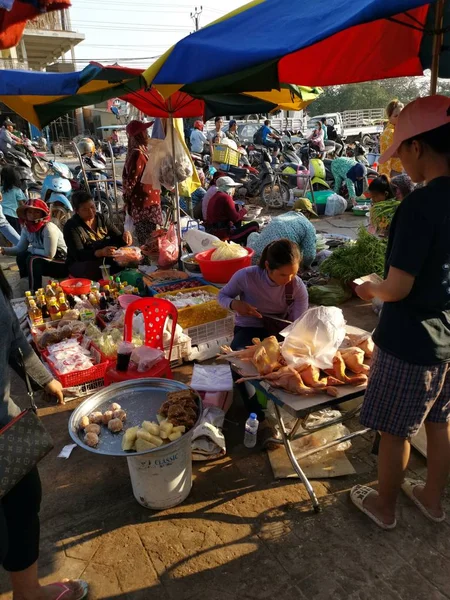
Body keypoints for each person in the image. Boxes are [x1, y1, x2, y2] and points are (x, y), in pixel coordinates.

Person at [351, 95, 450, 530]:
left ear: (417, 147)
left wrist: (369, 286)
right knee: (440, 421)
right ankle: (431, 499)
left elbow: (397, 287)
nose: (401, 164)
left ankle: (384, 507)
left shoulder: (420, 206)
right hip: (447, 334)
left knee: (395, 431)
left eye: (402, 150)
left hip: (411, 338)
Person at [0, 266, 89, 600]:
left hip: (5, 427)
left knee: (23, 502)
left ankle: (28, 593)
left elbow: (14, 340)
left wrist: (45, 379)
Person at [218, 239, 308, 441]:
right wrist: (235, 305)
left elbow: (298, 324)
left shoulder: (297, 287)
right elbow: (222, 296)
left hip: (280, 330)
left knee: (284, 366)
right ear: (267, 266)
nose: (289, 278)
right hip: (250, 326)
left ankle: (279, 407)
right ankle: (258, 414)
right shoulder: (246, 276)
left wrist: (290, 345)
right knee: (238, 361)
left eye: (294, 273)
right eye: (283, 274)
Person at [0, 200, 67, 292]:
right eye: (30, 212)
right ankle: (26, 281)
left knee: (32, 259)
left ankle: (36, 291)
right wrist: (3, 250)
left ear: (43, 214)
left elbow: (49, 254)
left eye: (37, 212)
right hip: (46, 261)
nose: (33, 214)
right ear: (26, 214)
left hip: (61, 263)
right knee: (21, 255)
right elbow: (20, 248)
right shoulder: (26, 228)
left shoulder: (48, 228)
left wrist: (32, 249)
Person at [64, 191, 131, 281]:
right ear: (77, 211)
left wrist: (125, 237)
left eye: (92, 207)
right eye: (85, 209)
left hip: (103, 259)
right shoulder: (71, 226)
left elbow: (118, 237)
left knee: (128, 259)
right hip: (80, 263)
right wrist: (100, 252)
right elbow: (78, 255)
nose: (91, 212)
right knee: (94, 269)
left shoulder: (102, 219)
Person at [122, 120, 163, 247]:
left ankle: (150, 265)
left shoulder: (142, 151)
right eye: (144, 131)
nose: (147, 133)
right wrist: (126, 201)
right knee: (147, 243)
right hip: (144, 205)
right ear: (139, 134)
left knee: (153, 240)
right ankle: (147, 266)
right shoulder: (137, 154)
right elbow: (131, 182)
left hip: (150, 203)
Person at [247, 211, 317, 268]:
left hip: (251, 258)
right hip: (271, 264)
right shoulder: (308, 225)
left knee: (253, 235)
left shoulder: (285, 215)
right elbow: (309, 256)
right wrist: (305, 266)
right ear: (307, 213)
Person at [205, 176, 259, 245]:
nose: (234, 189)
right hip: (223, 235)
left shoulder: (215, 196)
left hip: (212, 231)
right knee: (254, 225)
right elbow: (235, 218)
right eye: (232, 187)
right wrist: (245, 209)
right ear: (227, 187)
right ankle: (245, 246)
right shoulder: (226, 197)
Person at [379, 99, 404, 178]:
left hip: (403, 171)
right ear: (389, 117)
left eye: (402, 114)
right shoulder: (389, 133)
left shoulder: (400, 130)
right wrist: (386, 178)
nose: (400, 118)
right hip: (394, 173)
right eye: (396, 116)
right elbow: (386, 158)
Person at [0, 165, 26, 234]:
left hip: (1, 216)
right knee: (16, 238)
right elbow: (22, 206)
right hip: (13, 216)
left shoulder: (0, 189)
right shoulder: (17, 190)